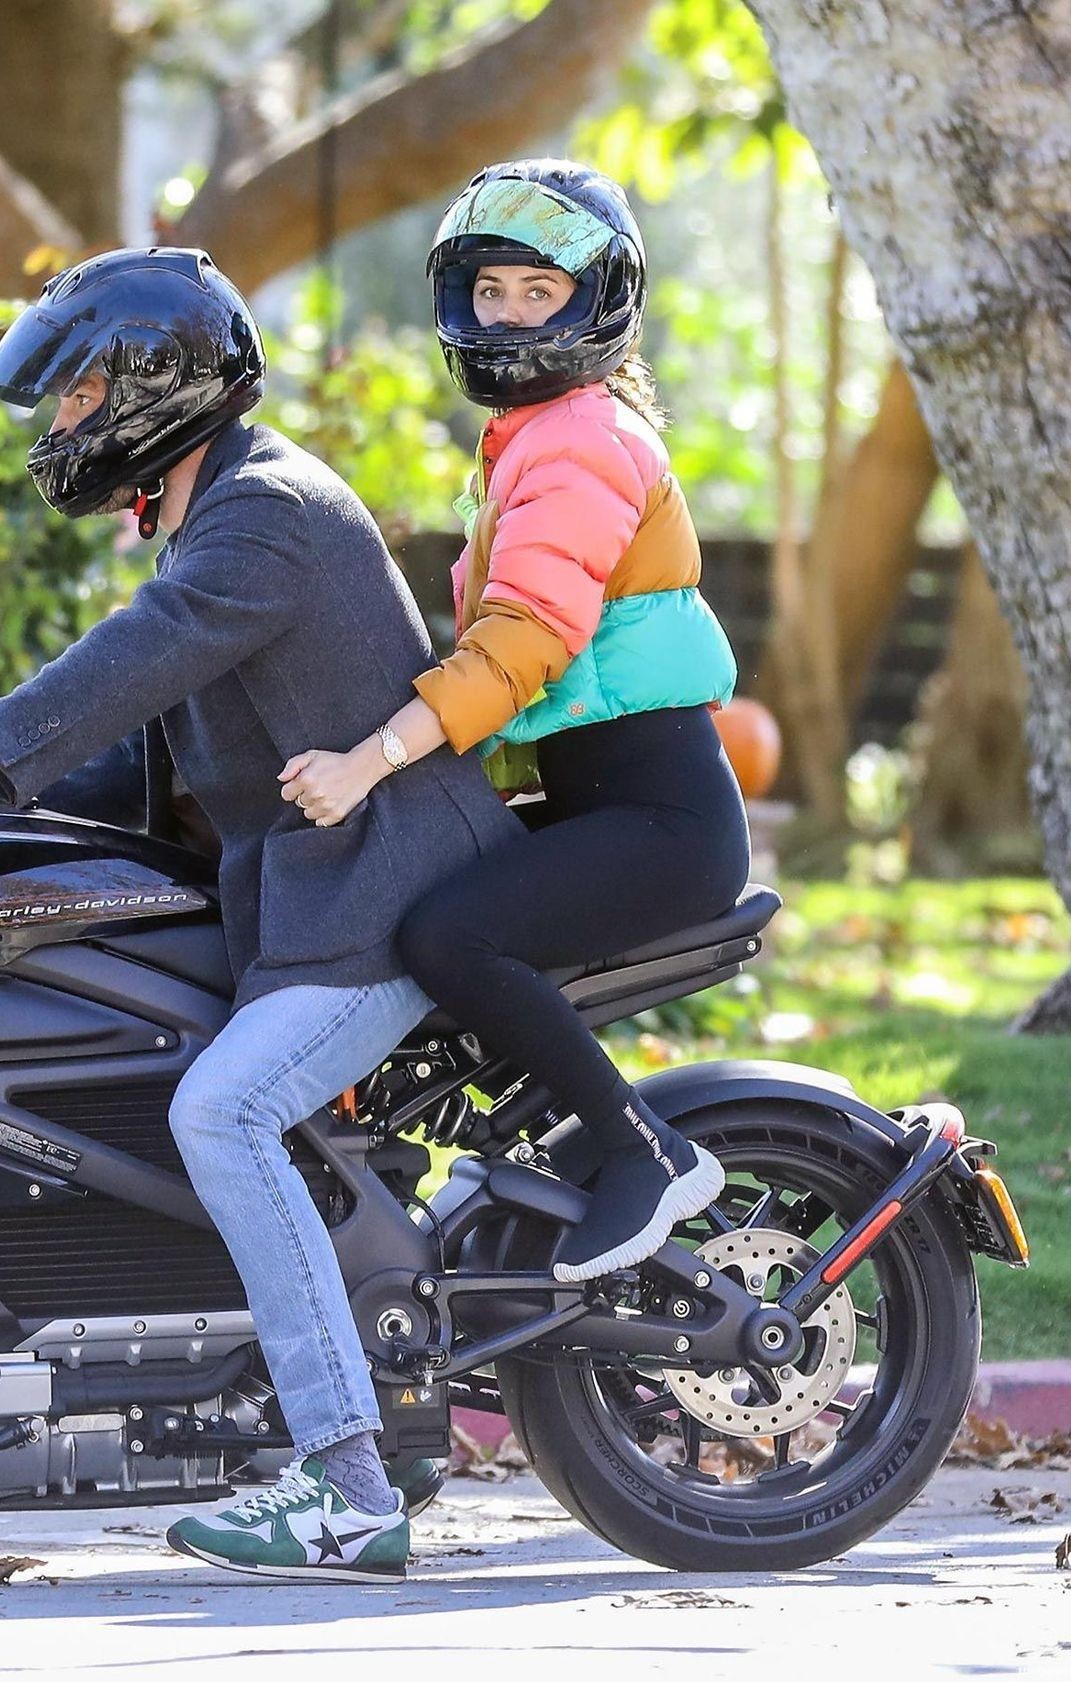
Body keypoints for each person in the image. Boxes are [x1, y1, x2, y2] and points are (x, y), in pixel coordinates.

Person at [0, 246, 511, 1581]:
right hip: (313, 894)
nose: (63, 422)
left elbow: (138, 654)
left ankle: (346, 1486)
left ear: (159, 385)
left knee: (224, 1111)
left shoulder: (264, 514)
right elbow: (151, 747)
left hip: (383, 888)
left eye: (81, 393)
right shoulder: (219, 514)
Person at [280, 159, 750, 1284]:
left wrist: (371, 759)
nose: (507, 316)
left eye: (539, 292)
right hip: (606, 801)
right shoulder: (538, 437)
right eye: (489, 291)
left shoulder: (582, 443)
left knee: (450, 935)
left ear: (598, 303)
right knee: (414, 885)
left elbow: (526, 639)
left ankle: (646, 1154)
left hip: (661, 821)